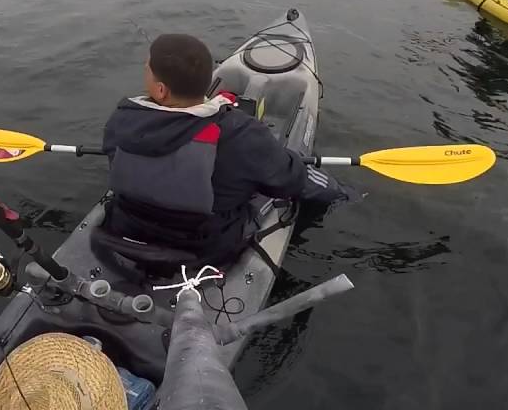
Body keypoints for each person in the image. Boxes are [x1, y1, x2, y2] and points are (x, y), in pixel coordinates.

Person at [100, 33, 348, 266]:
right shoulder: (242, 133)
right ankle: (346, 197)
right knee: (277, 185)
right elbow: (290, 182)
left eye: (147, 71)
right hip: (206, 249)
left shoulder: (120, 121)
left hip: (128, 230)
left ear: (161, 90)